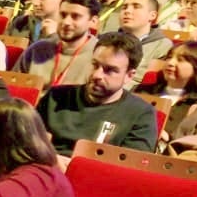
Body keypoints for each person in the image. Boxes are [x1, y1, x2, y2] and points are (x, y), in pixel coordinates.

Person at [35, 31, 158, 159]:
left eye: (109, 70)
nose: (96, 75)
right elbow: (28, 144)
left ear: (129, 75)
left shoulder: (140, 114)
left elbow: (128, 167)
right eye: (95, 65)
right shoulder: (56, 97)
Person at [134, 41, 197, 138]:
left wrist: (167, 137)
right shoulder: (143, 90)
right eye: (169, 57)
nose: (170, 63)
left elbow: (196, 135)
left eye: (180, 60)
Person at [14, 0, 100, 87]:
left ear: (93, 21)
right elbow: (10, 87)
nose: (66, 22)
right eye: (63, 15)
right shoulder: (37, 49)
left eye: (75, 16)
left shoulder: (99, 57)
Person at [117, 0, 173, 85]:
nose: (127, 11)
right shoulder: (108, 40)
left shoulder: (162, 45)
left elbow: (148, 85)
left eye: (136, 7)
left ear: (152, 15)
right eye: (124, 7)